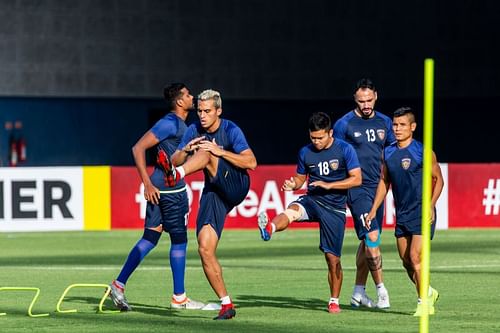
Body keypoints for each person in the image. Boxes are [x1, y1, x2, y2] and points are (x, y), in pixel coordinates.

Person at [159, 89, 257, 320]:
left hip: (236, 184)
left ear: (218, 111)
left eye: (207, 111)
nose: (202, 115)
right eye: (199, 111)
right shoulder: (194, 130)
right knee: (204, 247)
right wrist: (185, 149)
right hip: (215, 192)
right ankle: (226, 304)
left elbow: (251, 162)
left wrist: (219, 151)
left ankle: (178, 175)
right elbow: (173, 160)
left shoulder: (231, 129)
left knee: (208, 151)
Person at [108, 83, 205, 311]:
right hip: (171, 190)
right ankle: (179, 297)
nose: (192, 97)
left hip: (161, 187)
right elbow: (138, 148)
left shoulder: (181, 125)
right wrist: (146, 183)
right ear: (180, 101)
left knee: (150, 238)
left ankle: (118, 284)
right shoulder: (169, 123)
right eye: (188, 94)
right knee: (179, 240)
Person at [258, 112, 362, 314]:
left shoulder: (345, 149)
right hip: (312, 199)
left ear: (330, 133)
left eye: (320, 138)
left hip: (334, 208)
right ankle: (269, 228)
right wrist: (293, 184)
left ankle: (334, 300)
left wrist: (329, 185)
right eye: (312, 137)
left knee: (333, 260)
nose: (316, 141)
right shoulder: (305, 152)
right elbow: (299, 179)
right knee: (292, 211)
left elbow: (356, 179)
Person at [365, 107, 443, 316]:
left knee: (415, 257)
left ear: (413, 127)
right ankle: (427, 291)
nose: (397, 129)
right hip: (403, 213)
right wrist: (373, 209)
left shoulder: (423, 152)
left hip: (421, 211)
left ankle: (423, 303)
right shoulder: (388, 152)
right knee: (406, 260)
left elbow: (439, 180)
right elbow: (384, 182)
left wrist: (431, 204)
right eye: (395, 125)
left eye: (402, 125)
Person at [333, 78, 395, 309]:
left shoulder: (386, 122)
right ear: (355, 100)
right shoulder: (344, 124)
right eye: (361, 101)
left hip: (378, 188)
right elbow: (335, 155)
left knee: (368, 240)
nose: (366, 105)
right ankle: (382, 291)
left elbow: (391, 154)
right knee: (371, 238)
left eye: (369, 100)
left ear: (376, 97)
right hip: (356, 189)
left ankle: (358, 292)